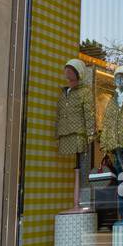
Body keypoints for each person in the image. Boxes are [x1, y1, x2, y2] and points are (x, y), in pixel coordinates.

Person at [55, 58, 95, 209]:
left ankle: (78, 203)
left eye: (71, 69)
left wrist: (90, 136)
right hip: (65, 134)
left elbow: (89, 115)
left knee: (79, 168)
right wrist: (57, 135)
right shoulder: (64, 93)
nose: (67, 71)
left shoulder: (85, 92)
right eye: (66, 68)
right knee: (76, 168)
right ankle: (76, 203)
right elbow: (59, 115)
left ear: (78, 73)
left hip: (78, 134)